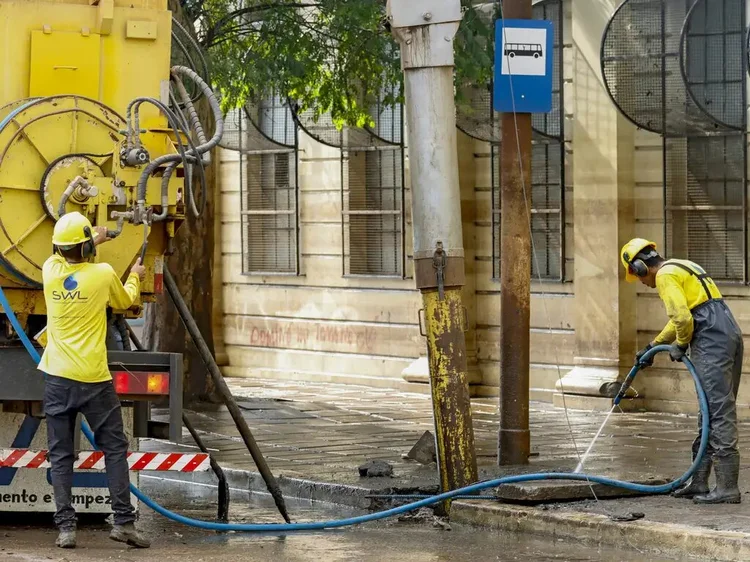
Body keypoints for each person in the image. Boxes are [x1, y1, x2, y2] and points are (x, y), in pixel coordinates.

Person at [38, 211, 151, 548]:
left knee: (60, 456)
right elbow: (125, 300)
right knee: (114, 449)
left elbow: (61, 255)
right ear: (87, 247)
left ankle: (66, 529)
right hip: (94, 380)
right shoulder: (102, 274)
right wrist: (135, 275)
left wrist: (89, 240)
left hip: (58, 379)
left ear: (59, 248)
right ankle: (123, 523)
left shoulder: (50, 272)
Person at [620, 238, 743, 505]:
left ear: (641, 267)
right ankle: (698, 482)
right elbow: (684, 316)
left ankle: (727, 488)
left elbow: (684, 320)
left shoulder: (663, 276)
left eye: (636, 275)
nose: (640, 282)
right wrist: (654, 345)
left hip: (710, 335)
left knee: (718, 410)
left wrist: (681, 343)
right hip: (725, 328)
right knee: (710, 408)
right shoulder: (681, 265)